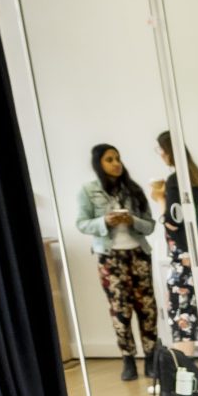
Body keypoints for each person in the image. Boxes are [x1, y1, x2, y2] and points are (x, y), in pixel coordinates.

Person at [75, 144, 158, 381]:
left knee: (147, 309)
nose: (116, 163)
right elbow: (81, 223)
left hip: (138, 254)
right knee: (120, 310)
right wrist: (105, 221)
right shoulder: (88, 191)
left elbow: (150, 225)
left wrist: (132, 220)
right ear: (98, 164)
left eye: (118, 158)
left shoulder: (134, 190)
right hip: (110, 257)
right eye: (109, 159)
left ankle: (151, 358)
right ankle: (128, 359)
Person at [154, 131, 198, 374]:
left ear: (168, 152)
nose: (160, 156)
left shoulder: (175, 181)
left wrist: (160, 201)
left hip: (184, 255)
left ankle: (185, 376)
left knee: (181, 310)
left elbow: (174, 221)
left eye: (160, 151)